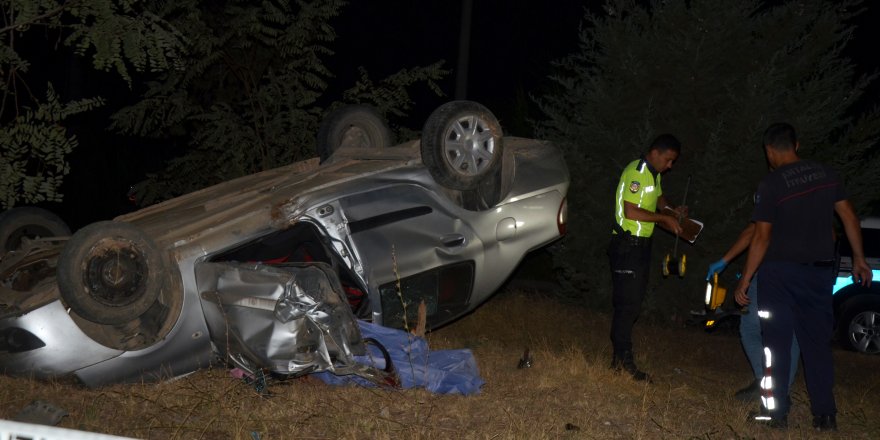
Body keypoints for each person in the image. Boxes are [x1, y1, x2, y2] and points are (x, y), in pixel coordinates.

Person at [733, 123, 872, 430]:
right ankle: (825, 416)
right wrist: (859, 259)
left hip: (779, 275)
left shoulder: (770, 185)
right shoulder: (826, 174)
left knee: (776, 344)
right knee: (817, 345)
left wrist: (745, 280)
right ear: (797, 144)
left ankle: (777, 415)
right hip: (819, 274)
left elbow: (761, 237)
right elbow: (849, 216)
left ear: (769, 151)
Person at [609, 134, 686, 381]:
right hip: (626, 245)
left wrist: (672, 211)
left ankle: (619, 361)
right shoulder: (637, 172)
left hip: (641, 246)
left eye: (673, 162)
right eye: (668, 160)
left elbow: (659, 198)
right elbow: (630, 210)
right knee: (627, 306)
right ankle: (622, 362)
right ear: (654, 153)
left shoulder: (655, 174)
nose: (670, 165)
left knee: (632, 304)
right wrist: (664, 219)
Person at [706, 222, 800, 402]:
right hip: (804, 272)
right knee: (788, 331)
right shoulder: (813, 196)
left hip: (773, 269)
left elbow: (758, 233)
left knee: (753, 327)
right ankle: (778, 390)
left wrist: (742, 275)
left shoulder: (773, 194)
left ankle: (769, 386)